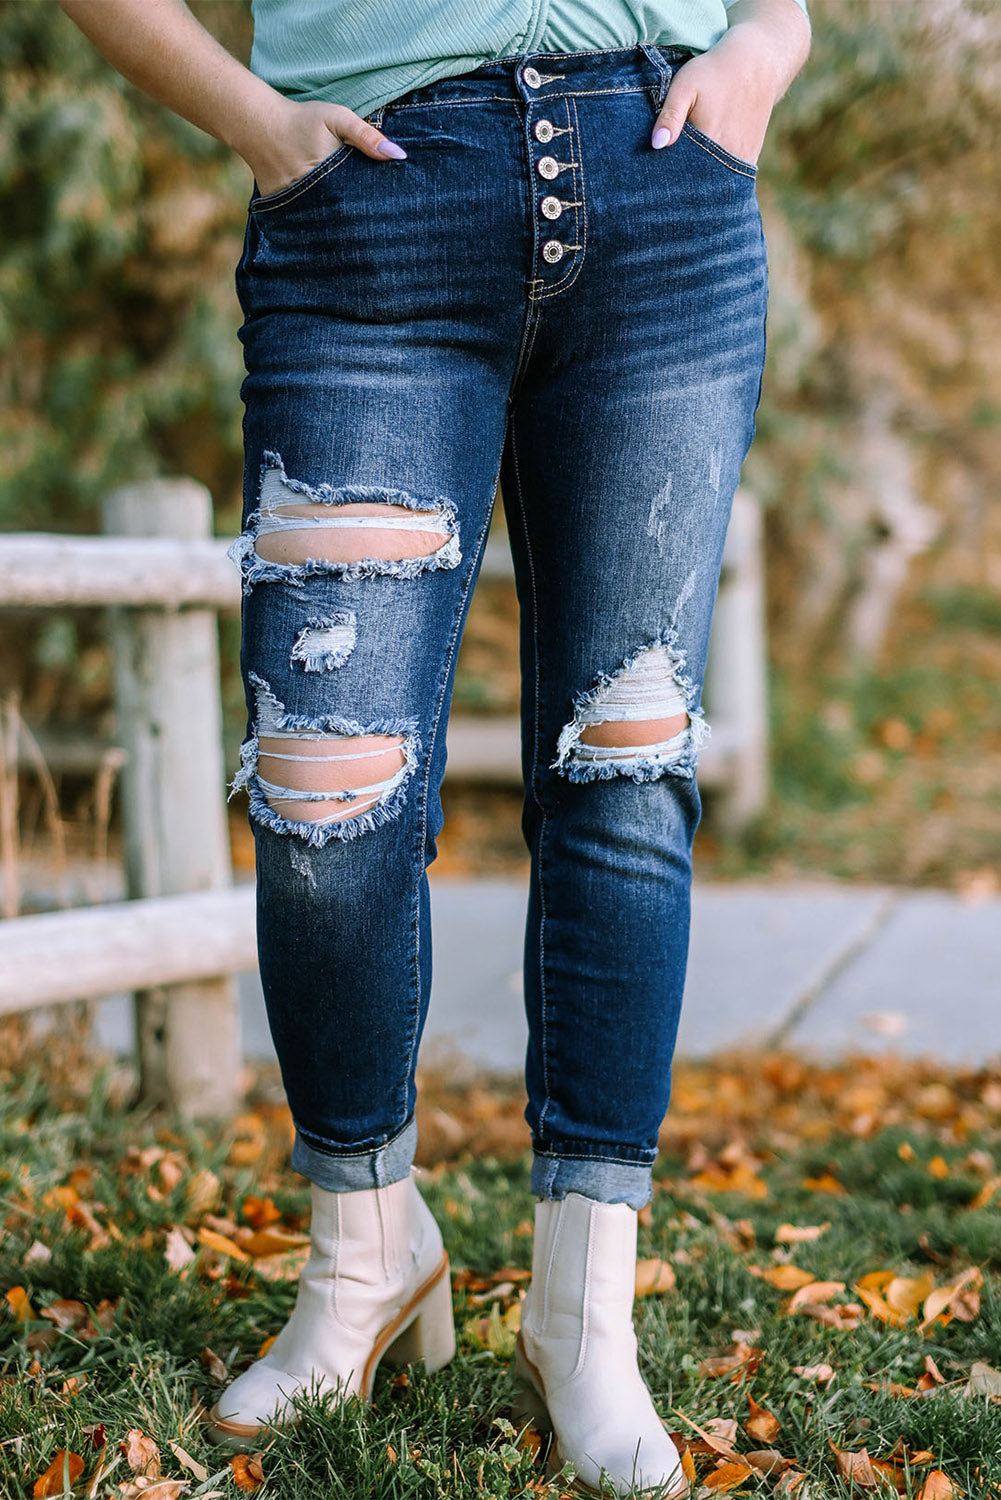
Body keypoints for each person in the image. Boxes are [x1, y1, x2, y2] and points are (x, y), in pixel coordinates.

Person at [58, 2, 811, 1493]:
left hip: (665, 198)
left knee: (627, 770)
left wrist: (769, 42)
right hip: (369, 217)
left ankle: (582, 1314)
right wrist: (253, 120)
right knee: (323, 793)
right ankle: (366, 1251)